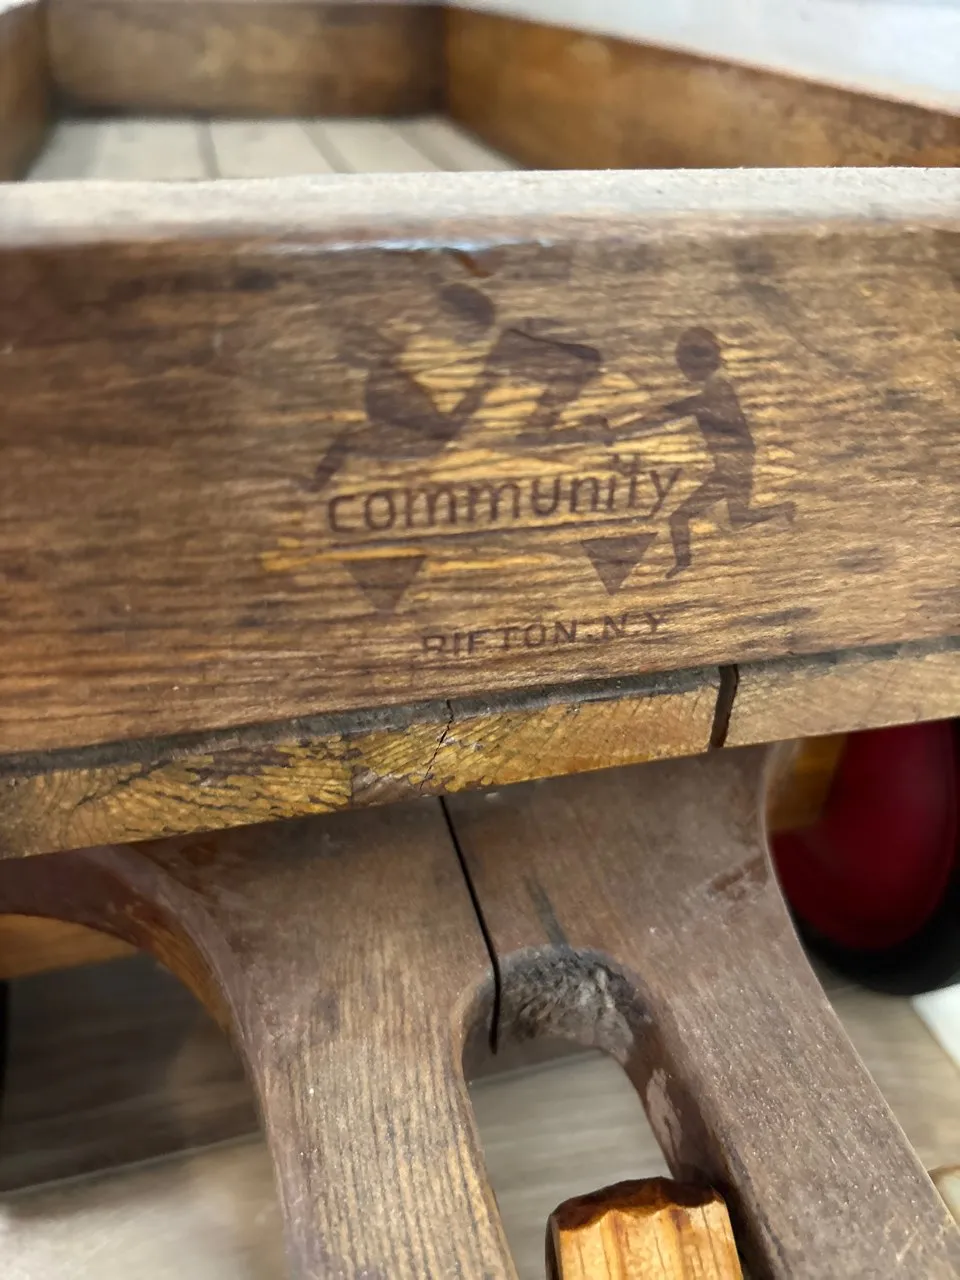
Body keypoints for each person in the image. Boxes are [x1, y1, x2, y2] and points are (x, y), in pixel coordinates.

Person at [622, 327, 795, 578]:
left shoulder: (715, 394)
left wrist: (624, 429)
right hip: (735, 467)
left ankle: (683, 565)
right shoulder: (718, 390)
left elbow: (672, 412)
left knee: (679, 518)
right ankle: (783, 509)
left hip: (731, 471)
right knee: (737, 518)